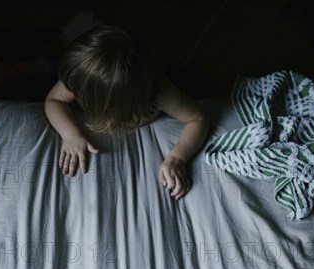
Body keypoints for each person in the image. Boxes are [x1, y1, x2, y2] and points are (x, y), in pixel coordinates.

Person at [44, 24, 209, 200]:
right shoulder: (81, 78)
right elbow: (53, 100)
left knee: (193, 80)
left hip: (155, 85)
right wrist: (71, 135)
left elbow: (198, 118)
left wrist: (178, 157)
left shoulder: (160, 92)